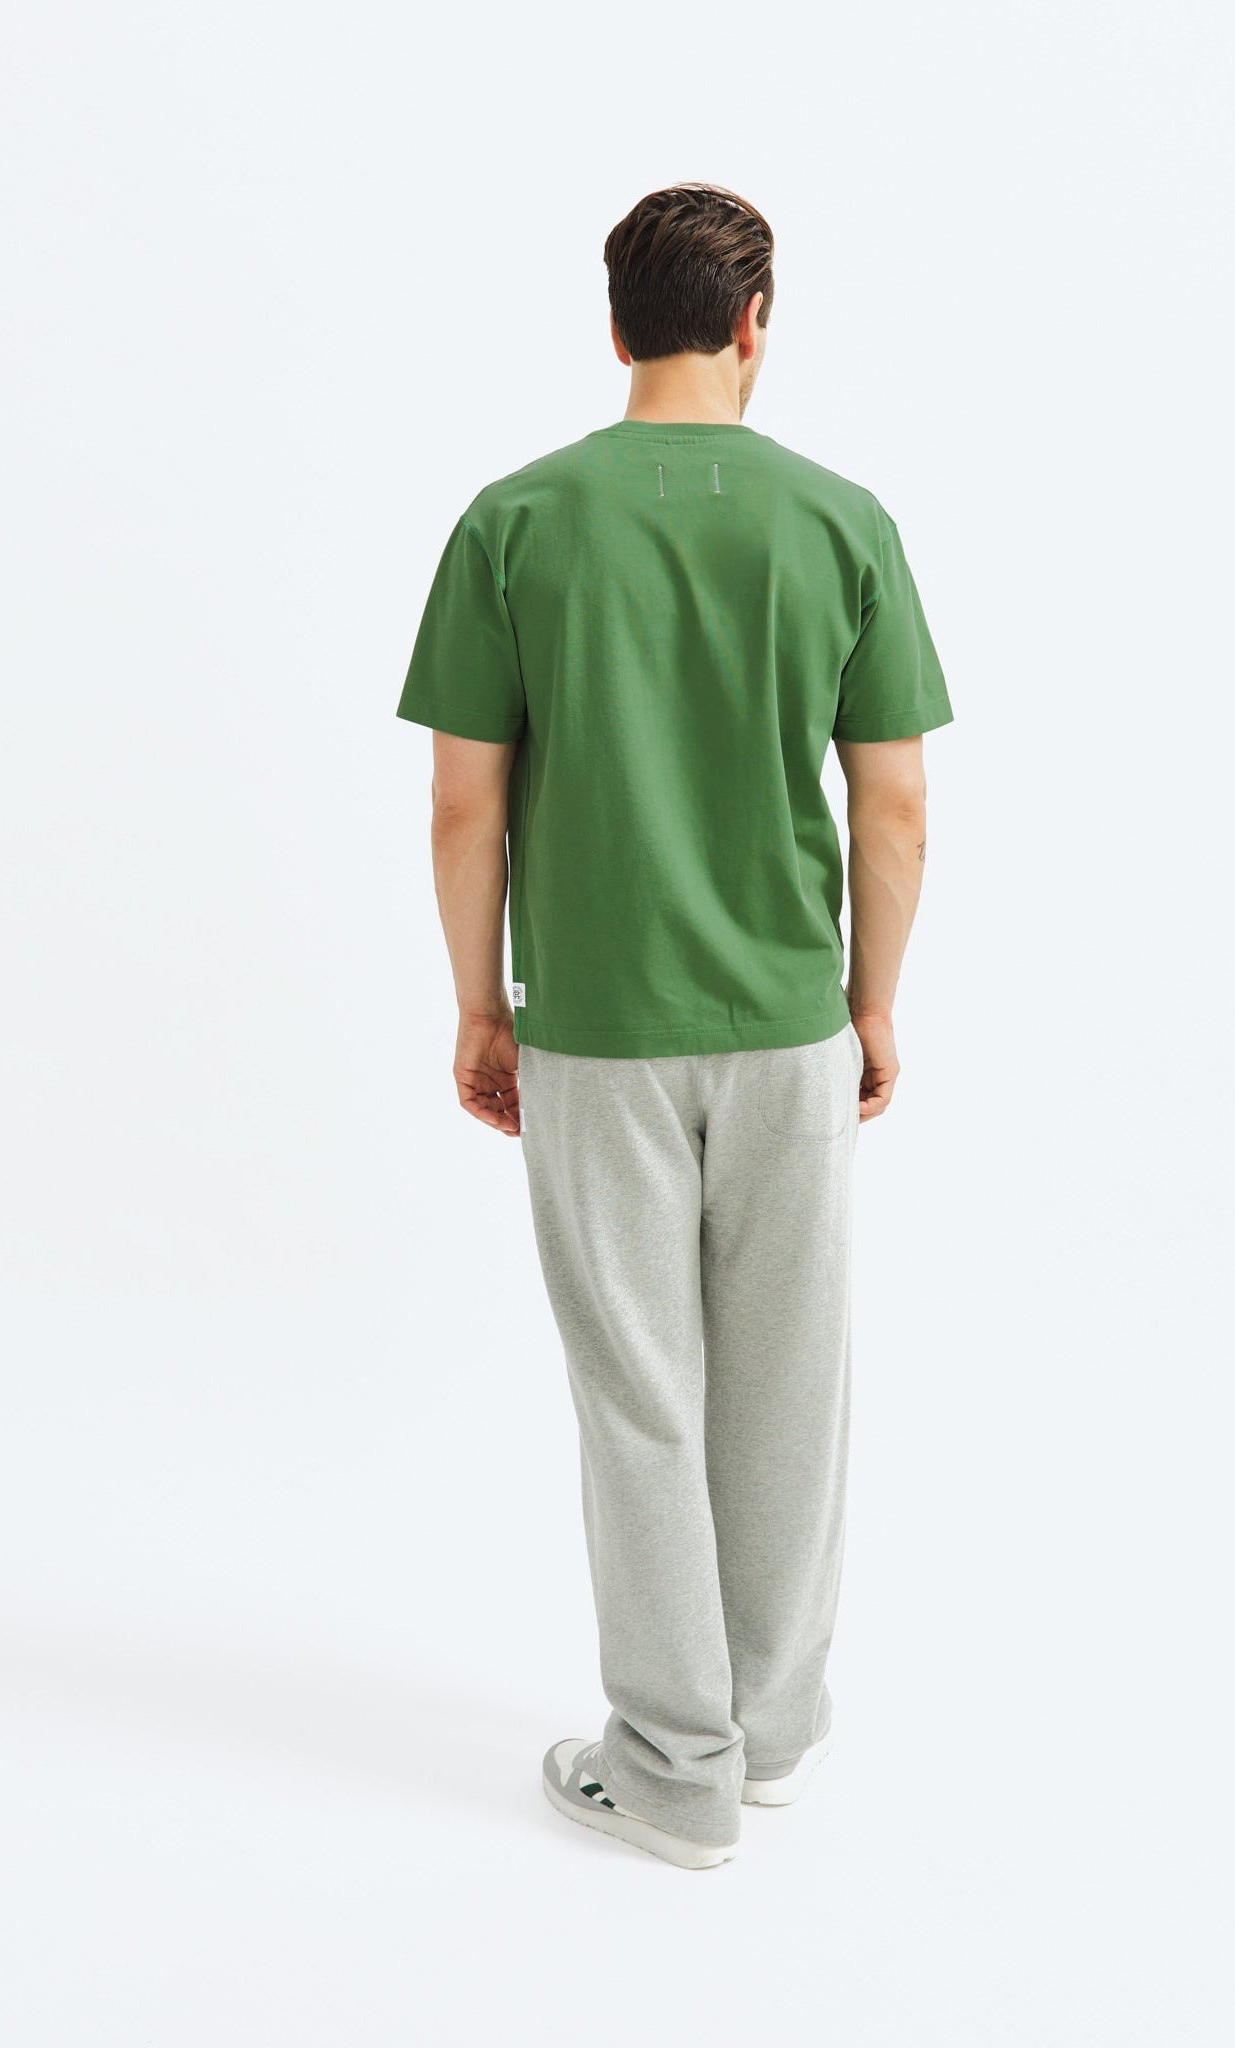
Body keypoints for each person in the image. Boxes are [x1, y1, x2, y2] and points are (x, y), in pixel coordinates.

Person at [397, 183, 951, 1869]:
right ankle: (770, 1737)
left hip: (598, 1029)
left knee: (640, 1395)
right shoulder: (841, 520)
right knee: (789, 1385)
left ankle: (670, 1770)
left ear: (616, 323)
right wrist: (870, 1003)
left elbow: (463, 808)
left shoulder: (515, 521)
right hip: (788, 1024)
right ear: (754, 323)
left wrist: (479, 1008)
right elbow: (896, 806)